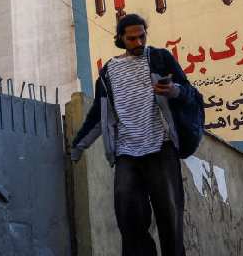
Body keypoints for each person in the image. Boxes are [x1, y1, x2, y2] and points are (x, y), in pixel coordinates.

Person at [70, 13, 195, 256]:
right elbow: (98, 115)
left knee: (169, 214)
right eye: (132, 39)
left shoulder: (160, 58)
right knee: (128, 213)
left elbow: (189, 92)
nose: (138, 43)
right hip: (127, 153)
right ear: (120, 39)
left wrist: (174, 90)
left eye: (142, 37)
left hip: (161, 147)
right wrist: (78, 146)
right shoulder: (108, 72)